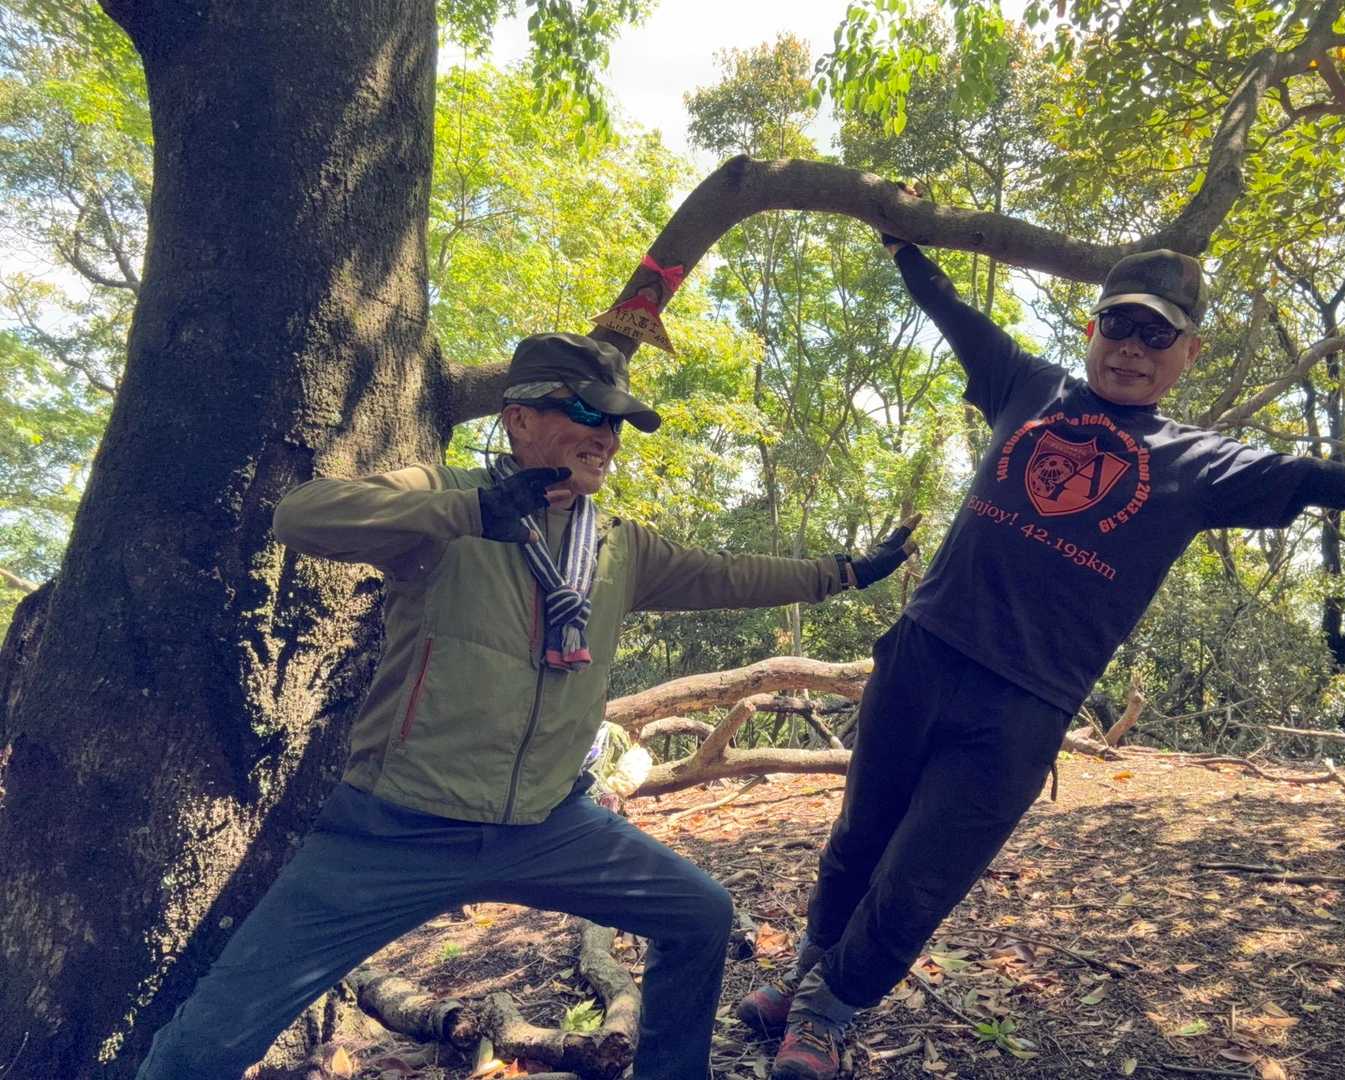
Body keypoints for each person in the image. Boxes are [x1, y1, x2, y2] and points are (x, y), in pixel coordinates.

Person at [740, 238, 1345, 1080]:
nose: (1133, 348)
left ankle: (829, 1013)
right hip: (921, 657)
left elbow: (1337, 481)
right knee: (859, 838)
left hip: (1023, 704)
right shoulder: (1026, 386)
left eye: (1157, 334)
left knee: (924, 874)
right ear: (1092, 328)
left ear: (1188, 353)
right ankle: (807, 974)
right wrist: (899, 239)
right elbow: (951, 311)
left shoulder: (1203, 465)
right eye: (1120, 325)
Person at [136, 331, 919, 1080]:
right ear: (518, 419)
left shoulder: (618, 546)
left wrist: (846, 571)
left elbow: (729, 574)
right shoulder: (446, 499)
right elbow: (301, 515)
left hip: (551, 825)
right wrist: (473, 513)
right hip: (394, 826)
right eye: (586, 413)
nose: (606, 436)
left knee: (700, 914)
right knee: (207, 1043)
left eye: (615, 423)